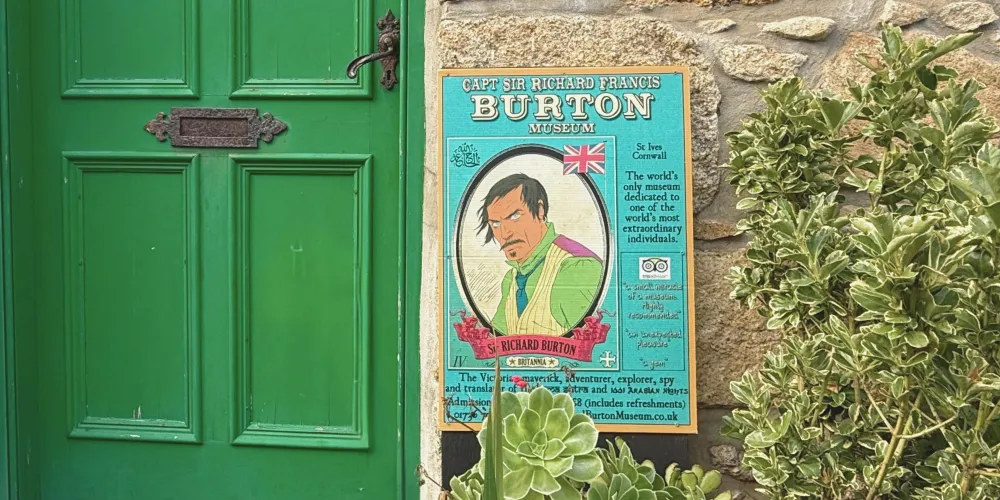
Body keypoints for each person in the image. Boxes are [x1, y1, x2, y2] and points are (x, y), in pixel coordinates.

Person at [475, 173, 602, 336]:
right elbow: (494, 338)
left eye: (515, 216)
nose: (505, 233)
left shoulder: (576, 267)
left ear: (540, 210)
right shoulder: (511, 279)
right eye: (496, 223)